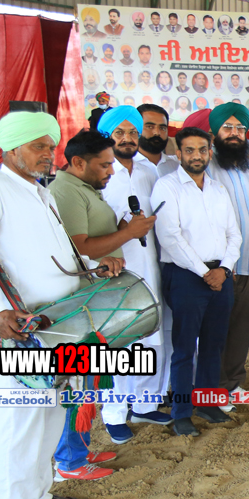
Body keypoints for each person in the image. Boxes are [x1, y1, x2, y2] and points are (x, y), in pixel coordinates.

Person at [0, 111, 122, 499]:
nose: (47, 153)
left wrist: (93, 266)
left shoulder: (42, 192)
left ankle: (39, 494)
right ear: (12, 147)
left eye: (50, 146)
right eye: (38, 146)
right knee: (20, 419)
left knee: (52, 410)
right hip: (19, 327)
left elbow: (57, 255)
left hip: (60, 323)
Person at [51, 129, 143, 464]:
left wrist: (119, 233)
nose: (111, 171)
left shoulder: (84, 187)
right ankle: (69, 460)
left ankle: (79, 451)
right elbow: (80, 247)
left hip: (94, 297)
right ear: (78, 162)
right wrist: (127, 234)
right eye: (104, 165)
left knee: (89, 379)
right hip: (78, 301)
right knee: (76, 382)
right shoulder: (66, 190)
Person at [153, 127, 241, 437]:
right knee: (184, 348)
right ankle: (181, 413)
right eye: (189, 150)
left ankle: (206, 403)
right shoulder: (167, 187)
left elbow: (234, 234)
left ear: (209, 152)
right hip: (186, 276)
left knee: (214, 345)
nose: (196, 156)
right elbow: (170, 237)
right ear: (178, 153)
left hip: (221, 275)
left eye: (202, 150)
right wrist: (205, 272)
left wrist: (224, 269)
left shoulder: (218, 189)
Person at [97, 106, 172, 434]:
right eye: (119, 133)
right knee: (118, 343)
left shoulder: (147, 171)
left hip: (150, 266)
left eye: (132, 132)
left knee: (150, 338)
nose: (127, 138)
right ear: (107, 136)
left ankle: (143, 405)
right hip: (114, 270)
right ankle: (114, 413)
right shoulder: (100, 172)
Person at [202, 103, 249, 403]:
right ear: (215, 132)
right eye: (228, 127)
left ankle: (233, 384)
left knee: (240, 328)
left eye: (240, 128)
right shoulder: (206, 167)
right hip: (221, 266)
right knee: (216, 331)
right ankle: (214, 388)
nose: (235, 133)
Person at [134, 103, 179, 177]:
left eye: (162, 128)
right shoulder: (124, 167)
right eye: (149, 127)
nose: (157, 133)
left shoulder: (176, 166)